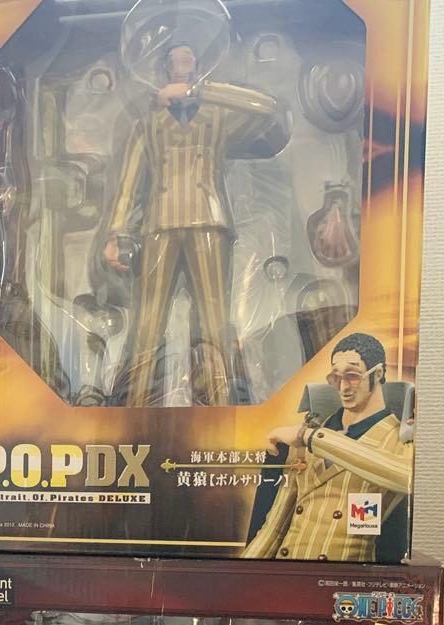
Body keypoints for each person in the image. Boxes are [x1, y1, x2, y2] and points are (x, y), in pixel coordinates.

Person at [104, 42, 287, 405]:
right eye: (174, 60)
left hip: (208, 221)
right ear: (165, 67)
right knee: (147, 322)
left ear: (197, 66)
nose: (180, 65)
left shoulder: (218, 117)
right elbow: (128, 182)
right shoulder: (147, 123)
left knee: (213, 320)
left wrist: (204, 91)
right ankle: (134, 406)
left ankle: (220, 406)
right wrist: (116, 233)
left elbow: (266, 108)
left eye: (187, 60)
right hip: (159, 223)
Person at [243, 332, 414, 561]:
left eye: (352, 376)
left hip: (344, 576)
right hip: (288, 570)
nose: (343, 387)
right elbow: (275, 525)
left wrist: (311, 437)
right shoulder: (308, 433)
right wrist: (243, 573)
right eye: (335, 377)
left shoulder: (398, 438)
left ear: (378, 373)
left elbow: (407, 477)